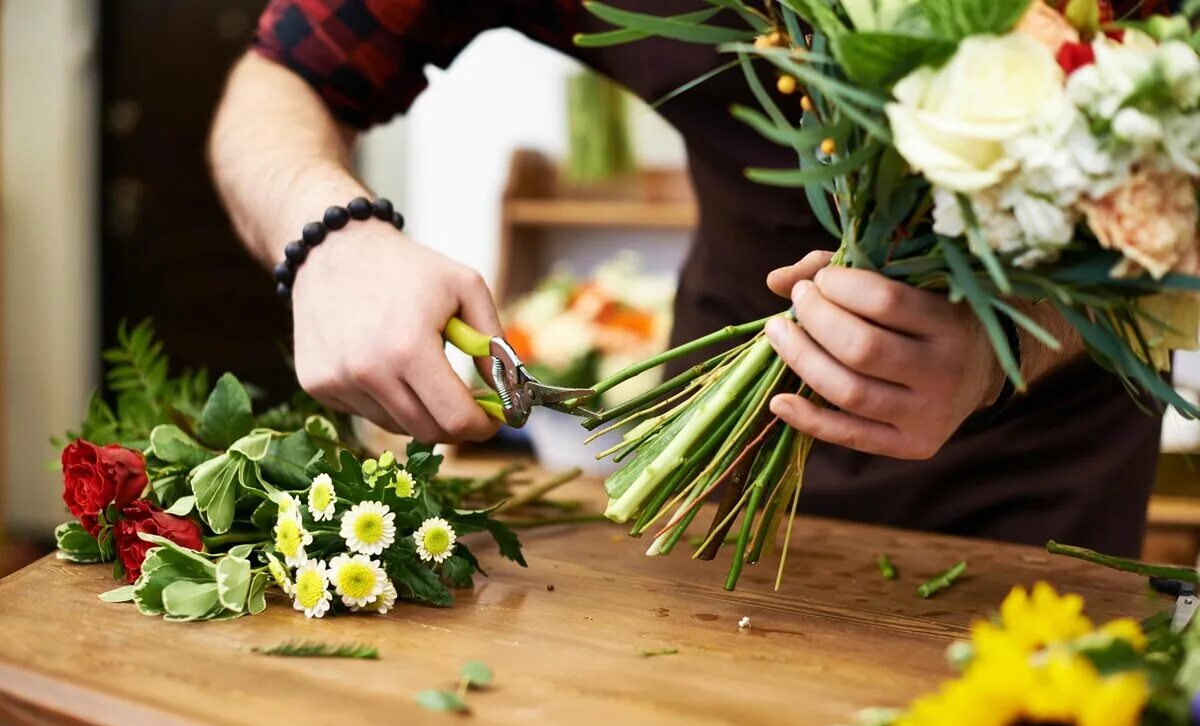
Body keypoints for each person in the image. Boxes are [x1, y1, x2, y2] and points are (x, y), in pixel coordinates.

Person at [210, 0, 1160, 556]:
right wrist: (328, 236)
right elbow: (283, 76)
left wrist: (1014, 339)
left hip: (1027, 494)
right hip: (709, 470)